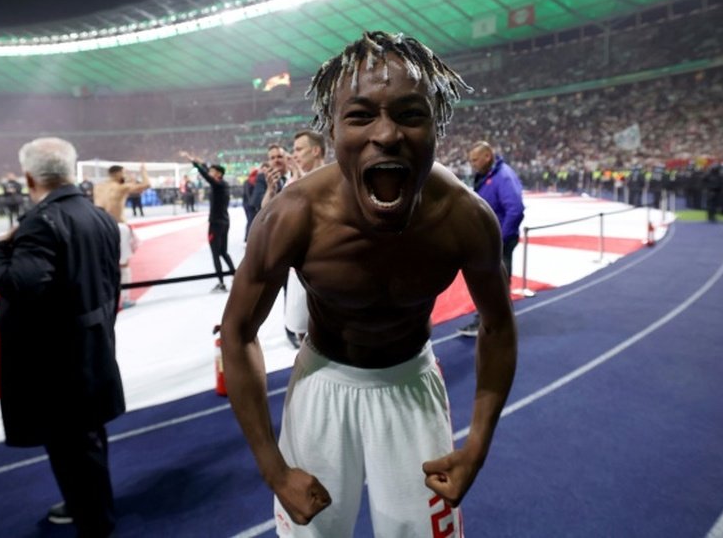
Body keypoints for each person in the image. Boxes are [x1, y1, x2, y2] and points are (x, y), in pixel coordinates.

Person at [221, 31, 518, 537]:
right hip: (322, 385)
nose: (387, 135)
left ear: (436, 126)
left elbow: (498, 328)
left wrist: (477, 448)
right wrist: (273, 470)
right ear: (332, 131)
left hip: (411, 386)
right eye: (360, 116)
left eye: (409, 114)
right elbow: (238, 331)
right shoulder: (294, 215)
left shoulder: (466, 219)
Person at [0, 137, 124, 537]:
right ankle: (90, 502)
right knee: (89, 441)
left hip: (58, 362)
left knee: (70, 448)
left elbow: (20, 284)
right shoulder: (99, 216)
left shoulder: (41, 222)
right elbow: (112, 284)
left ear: (29, 177)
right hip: (93, 349)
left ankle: (94, 520)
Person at [458, 140, 525, 337]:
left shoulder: (502, 176)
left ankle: (490, 325)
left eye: (475, 160)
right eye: (471, 160)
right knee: (492, 282)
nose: (472, 164)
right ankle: (498, 322)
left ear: (488, 156)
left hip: (499, 241)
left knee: (492, 283)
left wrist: (500, 238)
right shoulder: (488, 175)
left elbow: (515, 209)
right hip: (489, 239)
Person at [282, 130, 328, 348]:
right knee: (300, 329)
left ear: (316, 150)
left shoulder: (337, 179)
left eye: (299, 149)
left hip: (329, 267)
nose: (294, 155)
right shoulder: (291, 185)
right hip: (298, 269)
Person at [94, 163, 150, 309]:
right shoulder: (121, 187)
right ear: (118, 174)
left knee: (103, 264)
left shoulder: (98, 187)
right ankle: (125, 299)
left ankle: (105, 297)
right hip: (117, 226)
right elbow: (146, 184)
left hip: (99, 227)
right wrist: (142, 171)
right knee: (123, 264)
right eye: (123, 173)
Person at [181, 151, 236, 292]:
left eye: (213, 171)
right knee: (223, 252)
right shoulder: (223, 184)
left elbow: (206, 176)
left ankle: (221, 283)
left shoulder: (217, 185)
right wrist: (202, 163)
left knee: (216, 254)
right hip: (224, 222)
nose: (210, 173)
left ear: (218, 174)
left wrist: (194, 163)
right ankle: (235, 276)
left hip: (216, 224)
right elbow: (208, 173)